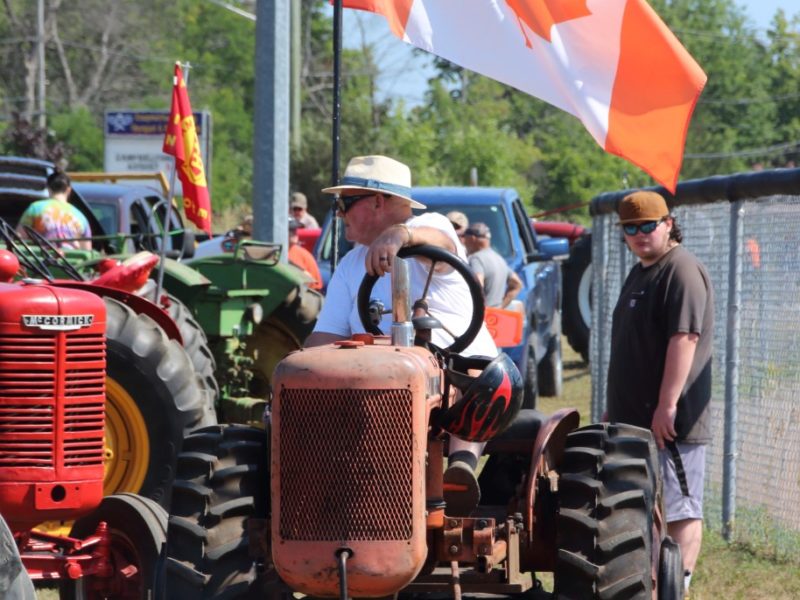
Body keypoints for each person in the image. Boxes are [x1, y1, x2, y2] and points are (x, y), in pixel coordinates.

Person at [304, 155, 499, 516]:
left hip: (452, 384)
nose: (339, 214)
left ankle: (461, 466)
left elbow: (437, 239)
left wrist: (399, 235)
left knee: (482, 377)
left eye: (344, 204)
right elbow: (323, 339)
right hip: (372, 385)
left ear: (378, 202)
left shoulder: (430, 230)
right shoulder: (350, 265)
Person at [606, 190, 714, 594]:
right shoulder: (642, 270)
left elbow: (684, 339)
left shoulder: (681, 270)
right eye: (630, 228)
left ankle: (676, 589)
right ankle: (649, 586)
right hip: (633, 420)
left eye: (648, 225)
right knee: (640, 507)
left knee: (681, 509)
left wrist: (667, 405)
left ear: (669, 223)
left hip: (671, 422)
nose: (639, 234)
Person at [16, 169, 91, 250]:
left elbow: (19, 239)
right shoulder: (80, 216)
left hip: (39, 260)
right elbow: (87, 251)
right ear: (69, 190)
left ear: (48, 188)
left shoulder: (35, 208)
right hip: (72, 262)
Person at [462, 222, 522, 308]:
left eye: (465, 238)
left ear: (472, 238)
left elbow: (477, 284)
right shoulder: (500, 259)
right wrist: (501, 307)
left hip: (480, 317)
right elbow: (517, 284)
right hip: (494, 316)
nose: (464, 242)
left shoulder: (476, 259)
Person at [288, 217, 323, 290]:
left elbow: (316, 286)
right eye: (290, 229)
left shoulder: (304, 255)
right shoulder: (269, 253)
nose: (294, 232)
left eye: (295, 229)